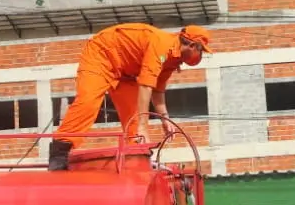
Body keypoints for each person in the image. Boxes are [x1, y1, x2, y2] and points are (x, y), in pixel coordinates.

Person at [48, 22, 212, 170]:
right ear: (192, 45)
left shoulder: (173, 60)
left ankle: (137, 163)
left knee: (133, 123)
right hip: (101, 56)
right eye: (201, 50)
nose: (201, 55)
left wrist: (164, 119)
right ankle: (59, 151)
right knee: (88, 102)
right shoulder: (161, 44)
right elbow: (146, 84)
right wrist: (143, 125)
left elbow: (157, 90)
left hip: (126, 74)